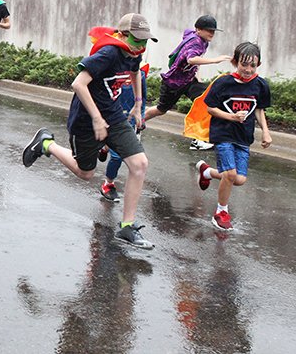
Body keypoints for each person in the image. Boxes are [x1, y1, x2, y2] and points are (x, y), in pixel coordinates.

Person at [22, 13, 157, 250]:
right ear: (122, 35)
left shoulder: (133, 53)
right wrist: (96, 118)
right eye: (138, 40)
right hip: (86, 120)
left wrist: (137, 104)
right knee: (85, 173)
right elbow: (78, 83)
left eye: (146, 41)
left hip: (114, 117)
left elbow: (136, 73)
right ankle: (46, 144)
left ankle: (127, 226)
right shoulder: (109, 53)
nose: (142, 46)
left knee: (140, 164)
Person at [194, 42, 271, 231]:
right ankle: (221, 212)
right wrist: (232, 117)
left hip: (243, 137)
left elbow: (259, 110)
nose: (248, 69)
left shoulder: (260, 85)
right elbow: (211, 108)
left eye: (252, 65)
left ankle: (207, 172)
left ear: (258, 65)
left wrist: (266, 133)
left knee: (239, 179)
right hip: (223, 134)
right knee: (230, 174)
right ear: (236, 62)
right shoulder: (224, 82)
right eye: (244, 64)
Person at [143, 15, 232, 150]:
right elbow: (191, 59)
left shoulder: (200, 39)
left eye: (213, 31)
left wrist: (197, 76)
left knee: (206, 101)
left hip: (189, 81)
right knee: (161, 109)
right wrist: (215, 60)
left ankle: (198, 139)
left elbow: (194, 57)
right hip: (174, 83)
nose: (212, 34)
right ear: (199, 29)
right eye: (209, 30)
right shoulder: (195, 41)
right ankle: (136, 122)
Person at [99, 67, 148, 202]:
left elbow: (142, 98)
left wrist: (141, 115)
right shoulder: (110, 71)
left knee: (119, 155)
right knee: (117, 156)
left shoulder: (140, 74)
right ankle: (108, 183)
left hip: (128, 120)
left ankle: (105, 148)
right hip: (110, 117)